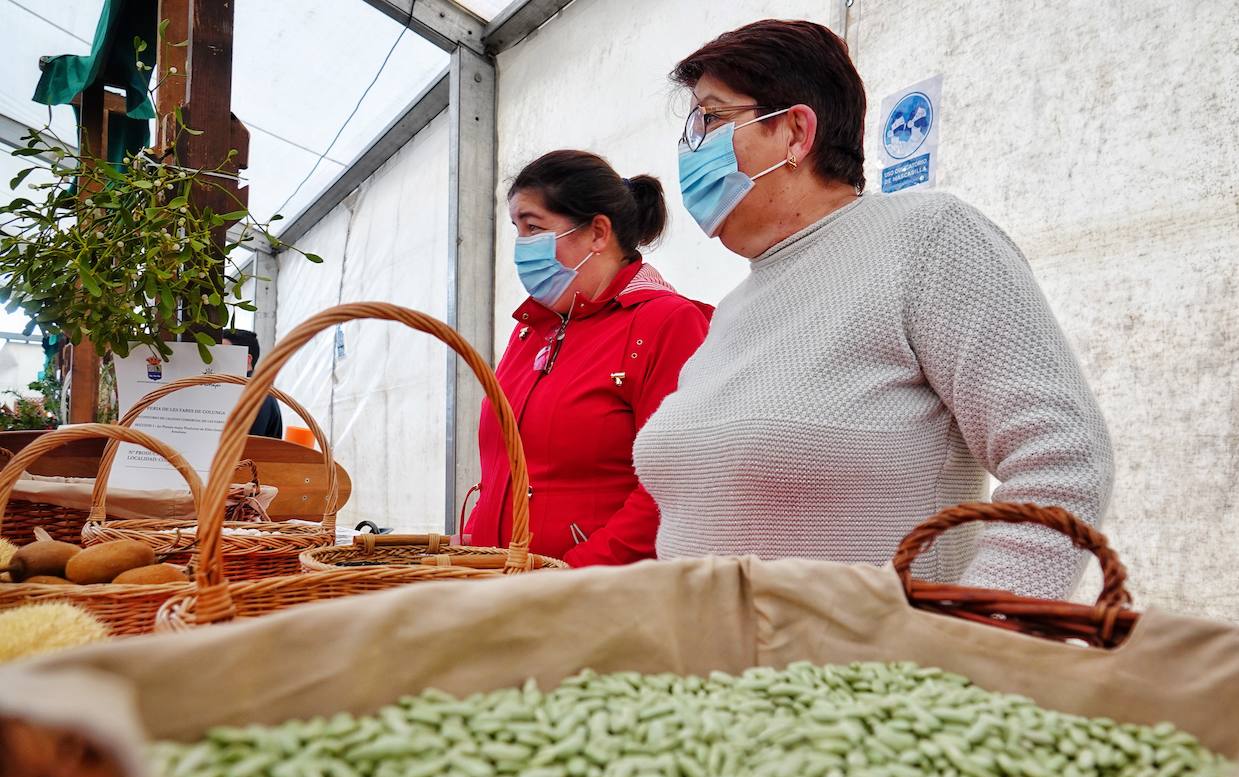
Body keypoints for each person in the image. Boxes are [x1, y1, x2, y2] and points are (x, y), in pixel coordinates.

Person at [634, 20, 1114, 599]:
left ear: (794, 131)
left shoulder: (926, 238)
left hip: (861, 677)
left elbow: (1061, 458)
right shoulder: (735, 307)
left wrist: (976, 639)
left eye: (710, 119)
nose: (691, 149)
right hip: (703, 672)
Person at [462, 151, 712, 567]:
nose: (522, 249)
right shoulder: (531, 327)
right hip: (504, 592)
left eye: (534, 228)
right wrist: (474, 541)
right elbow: (504, 471)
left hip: (592, 603)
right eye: (517, 231)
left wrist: (572, 577)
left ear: (598, 232)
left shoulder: (666, 322)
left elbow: (671, 485)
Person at [221, 328, 283, 438]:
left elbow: (248, 443)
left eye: (224, 353)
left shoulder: (255, 393)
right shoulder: (256, 388)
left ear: (247, 359)